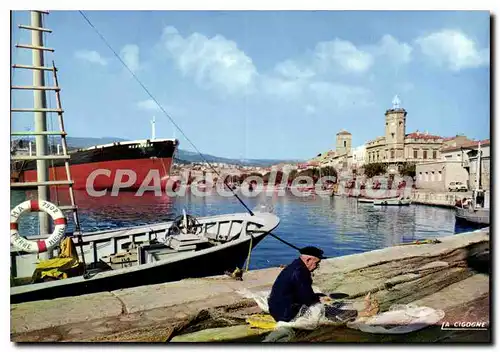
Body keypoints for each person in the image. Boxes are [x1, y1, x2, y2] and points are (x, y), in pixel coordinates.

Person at [267, 246, 326, 323]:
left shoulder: (295, 265)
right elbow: (306, 297)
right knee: (319, 309)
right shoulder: (301, 272)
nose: (317, 266)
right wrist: (318, 299)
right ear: (308, 260)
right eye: (316, 263)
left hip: (274, 308)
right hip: (285, 314)